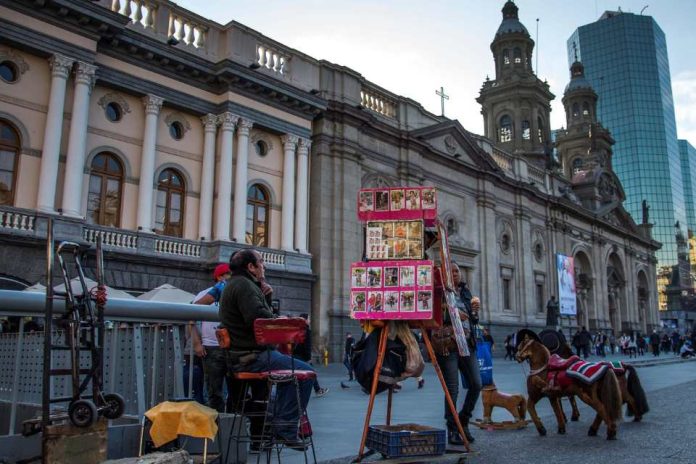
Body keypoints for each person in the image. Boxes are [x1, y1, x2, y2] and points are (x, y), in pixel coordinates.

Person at [219, 249, 314, 448]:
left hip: (244, 356)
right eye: (261, 262)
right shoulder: (244, 287)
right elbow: (260, 321)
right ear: (251, 267)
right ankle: (284, 428)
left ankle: (274, 426)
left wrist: (266, 296)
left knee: (292, 371)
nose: (264, 266)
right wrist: (282, 320)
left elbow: (258, 316)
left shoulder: (238, 284)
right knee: (306, 373)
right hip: (251, 357)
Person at [435, 261, 482, 445]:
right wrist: (453, 315)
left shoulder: (465, 292)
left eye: (457, 271)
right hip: (448, 344)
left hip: (467, 343)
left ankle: (463, 419)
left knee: (476, 384)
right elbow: (434, 315)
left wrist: (475, 314)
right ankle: (452, 429)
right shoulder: (440, 291)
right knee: (452, 389)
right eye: (451, 271)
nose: (455, 274)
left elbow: (472, 319)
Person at [192, 263, 233, 412]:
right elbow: (190, 315)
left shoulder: (233, 292)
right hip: (211, 347)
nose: (231, 277)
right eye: (229, 274)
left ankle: (228, 420)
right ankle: (214, 422)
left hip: (231, 346)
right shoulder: (205, 294)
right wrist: (197, 343)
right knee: (212, 389)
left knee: (232, 389)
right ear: (220, 276)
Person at [294, 313, 329, 397]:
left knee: (304, 373)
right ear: (305, 320)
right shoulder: (306, 331)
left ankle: (317, 389)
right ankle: (317, 390)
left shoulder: (296, 330)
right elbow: (307, 346)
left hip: (295, 355)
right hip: (303, 357)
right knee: (311, 372)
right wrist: (308, 358)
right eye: (308, 319)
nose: (309, 320)